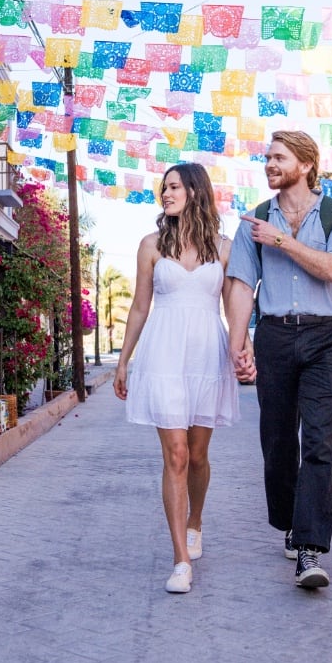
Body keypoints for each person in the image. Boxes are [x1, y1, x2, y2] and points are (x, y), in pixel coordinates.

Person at [225, 131, 332, 591]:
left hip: (325, 338)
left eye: (279, 157)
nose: (269, 164)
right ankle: (288, 520)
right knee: (278, 444)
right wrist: (237, 346)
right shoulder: (253, 221)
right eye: (267, 158)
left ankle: (310, 549)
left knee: (319, 443)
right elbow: (242, 285)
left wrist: (283, 242)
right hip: (276, 337)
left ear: (305, 164)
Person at [112, 162, 240, 595]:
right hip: (163, 353)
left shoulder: (223, 247)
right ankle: (180, 560)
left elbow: (235, 308)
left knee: (200, 455)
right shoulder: (151, 245)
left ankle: (196, 522)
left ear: (194, 191)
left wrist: (245, 350)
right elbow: (139, 307)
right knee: (178, 455)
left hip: (207, 355)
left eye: (172, 187)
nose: (164, 194)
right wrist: (123, 360)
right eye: (162, 188)